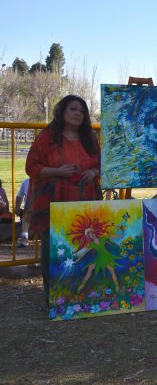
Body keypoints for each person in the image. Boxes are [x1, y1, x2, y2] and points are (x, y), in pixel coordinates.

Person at [25, 95, 101, 305]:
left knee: (85, 248)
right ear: (62, 112)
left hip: (86, 201)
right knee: (54, 248)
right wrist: (56, 171)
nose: (78, 113)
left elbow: (102, 163)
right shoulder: (47, 137)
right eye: (73, 109)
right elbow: (31, 167)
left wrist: (94, 171)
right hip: (54, 203)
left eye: (82, 111)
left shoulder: (90, 139)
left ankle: (82, 296)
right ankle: (55, 300)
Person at [14, 178, 31, 247]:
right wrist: (17, 207)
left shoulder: (46, 180)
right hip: (30, 208)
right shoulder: (25, 182)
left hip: (45, 208)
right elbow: (19, 196)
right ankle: (24, 237)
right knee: (26, 213)